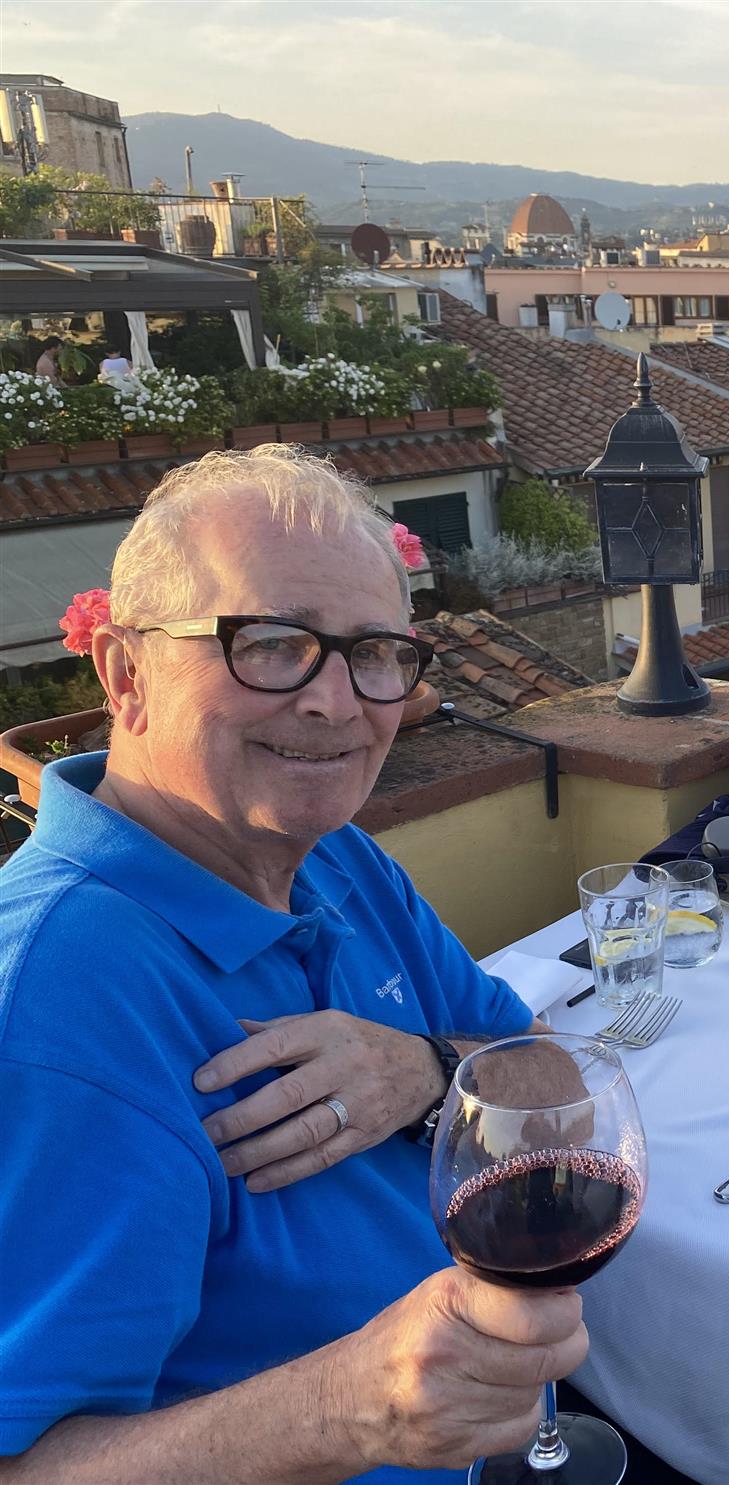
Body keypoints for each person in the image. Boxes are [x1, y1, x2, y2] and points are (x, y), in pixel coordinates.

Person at [0, 446, 585, 1483]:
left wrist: (428, 1073)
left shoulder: (339, 860)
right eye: (272, 645)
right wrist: (351, 1411)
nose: (337, 703)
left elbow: (553, 1082)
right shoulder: (56, 1004)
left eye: (375, 653)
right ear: (126, 674)